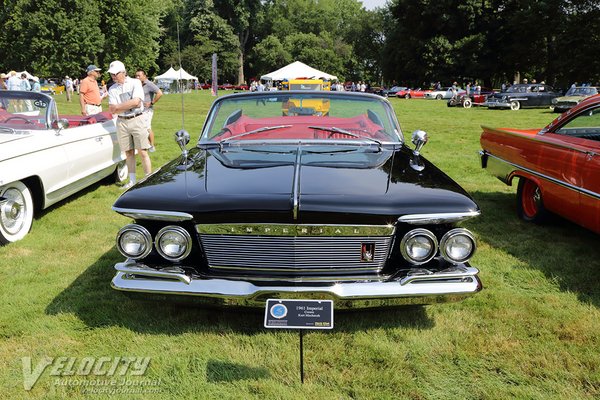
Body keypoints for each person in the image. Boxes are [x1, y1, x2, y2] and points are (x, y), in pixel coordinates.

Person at [107, 60, 150, 189]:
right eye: (112, 74)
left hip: (137, 119)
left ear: (124, 72)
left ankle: (148, 179)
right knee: (128, 153)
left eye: (116, 74)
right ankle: (132, 181)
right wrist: (127, 105)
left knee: (142, 151)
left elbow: (137, 102)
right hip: (121, 121)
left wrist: (119, 107)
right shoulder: (112, 88)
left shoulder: (135, 83)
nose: (113, 76)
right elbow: (112, 109)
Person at [134, 69, 162, 152]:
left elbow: (160, 93)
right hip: (139, 110)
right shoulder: (137, 85)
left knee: (147, 127)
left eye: (139, 75)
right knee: (140, 127)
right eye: (136, 76)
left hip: (147, 110)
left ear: (144, 76)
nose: (137, 77)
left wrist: (152, 102)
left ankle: (152, 146)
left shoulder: (149, 84)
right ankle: (145, 144)